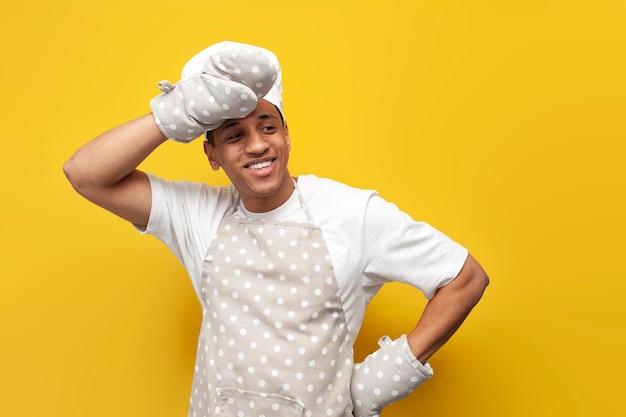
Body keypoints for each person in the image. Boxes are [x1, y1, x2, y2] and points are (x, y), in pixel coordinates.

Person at [63, 41, 489, 417]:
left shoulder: (351, 213)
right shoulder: (198, 216)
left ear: (286, 134)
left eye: (268, 126)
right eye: (234, 135)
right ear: (211, 154)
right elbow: (85, 173)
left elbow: (465, 278)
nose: (257, 145)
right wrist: (179, 113)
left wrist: (386, 376)